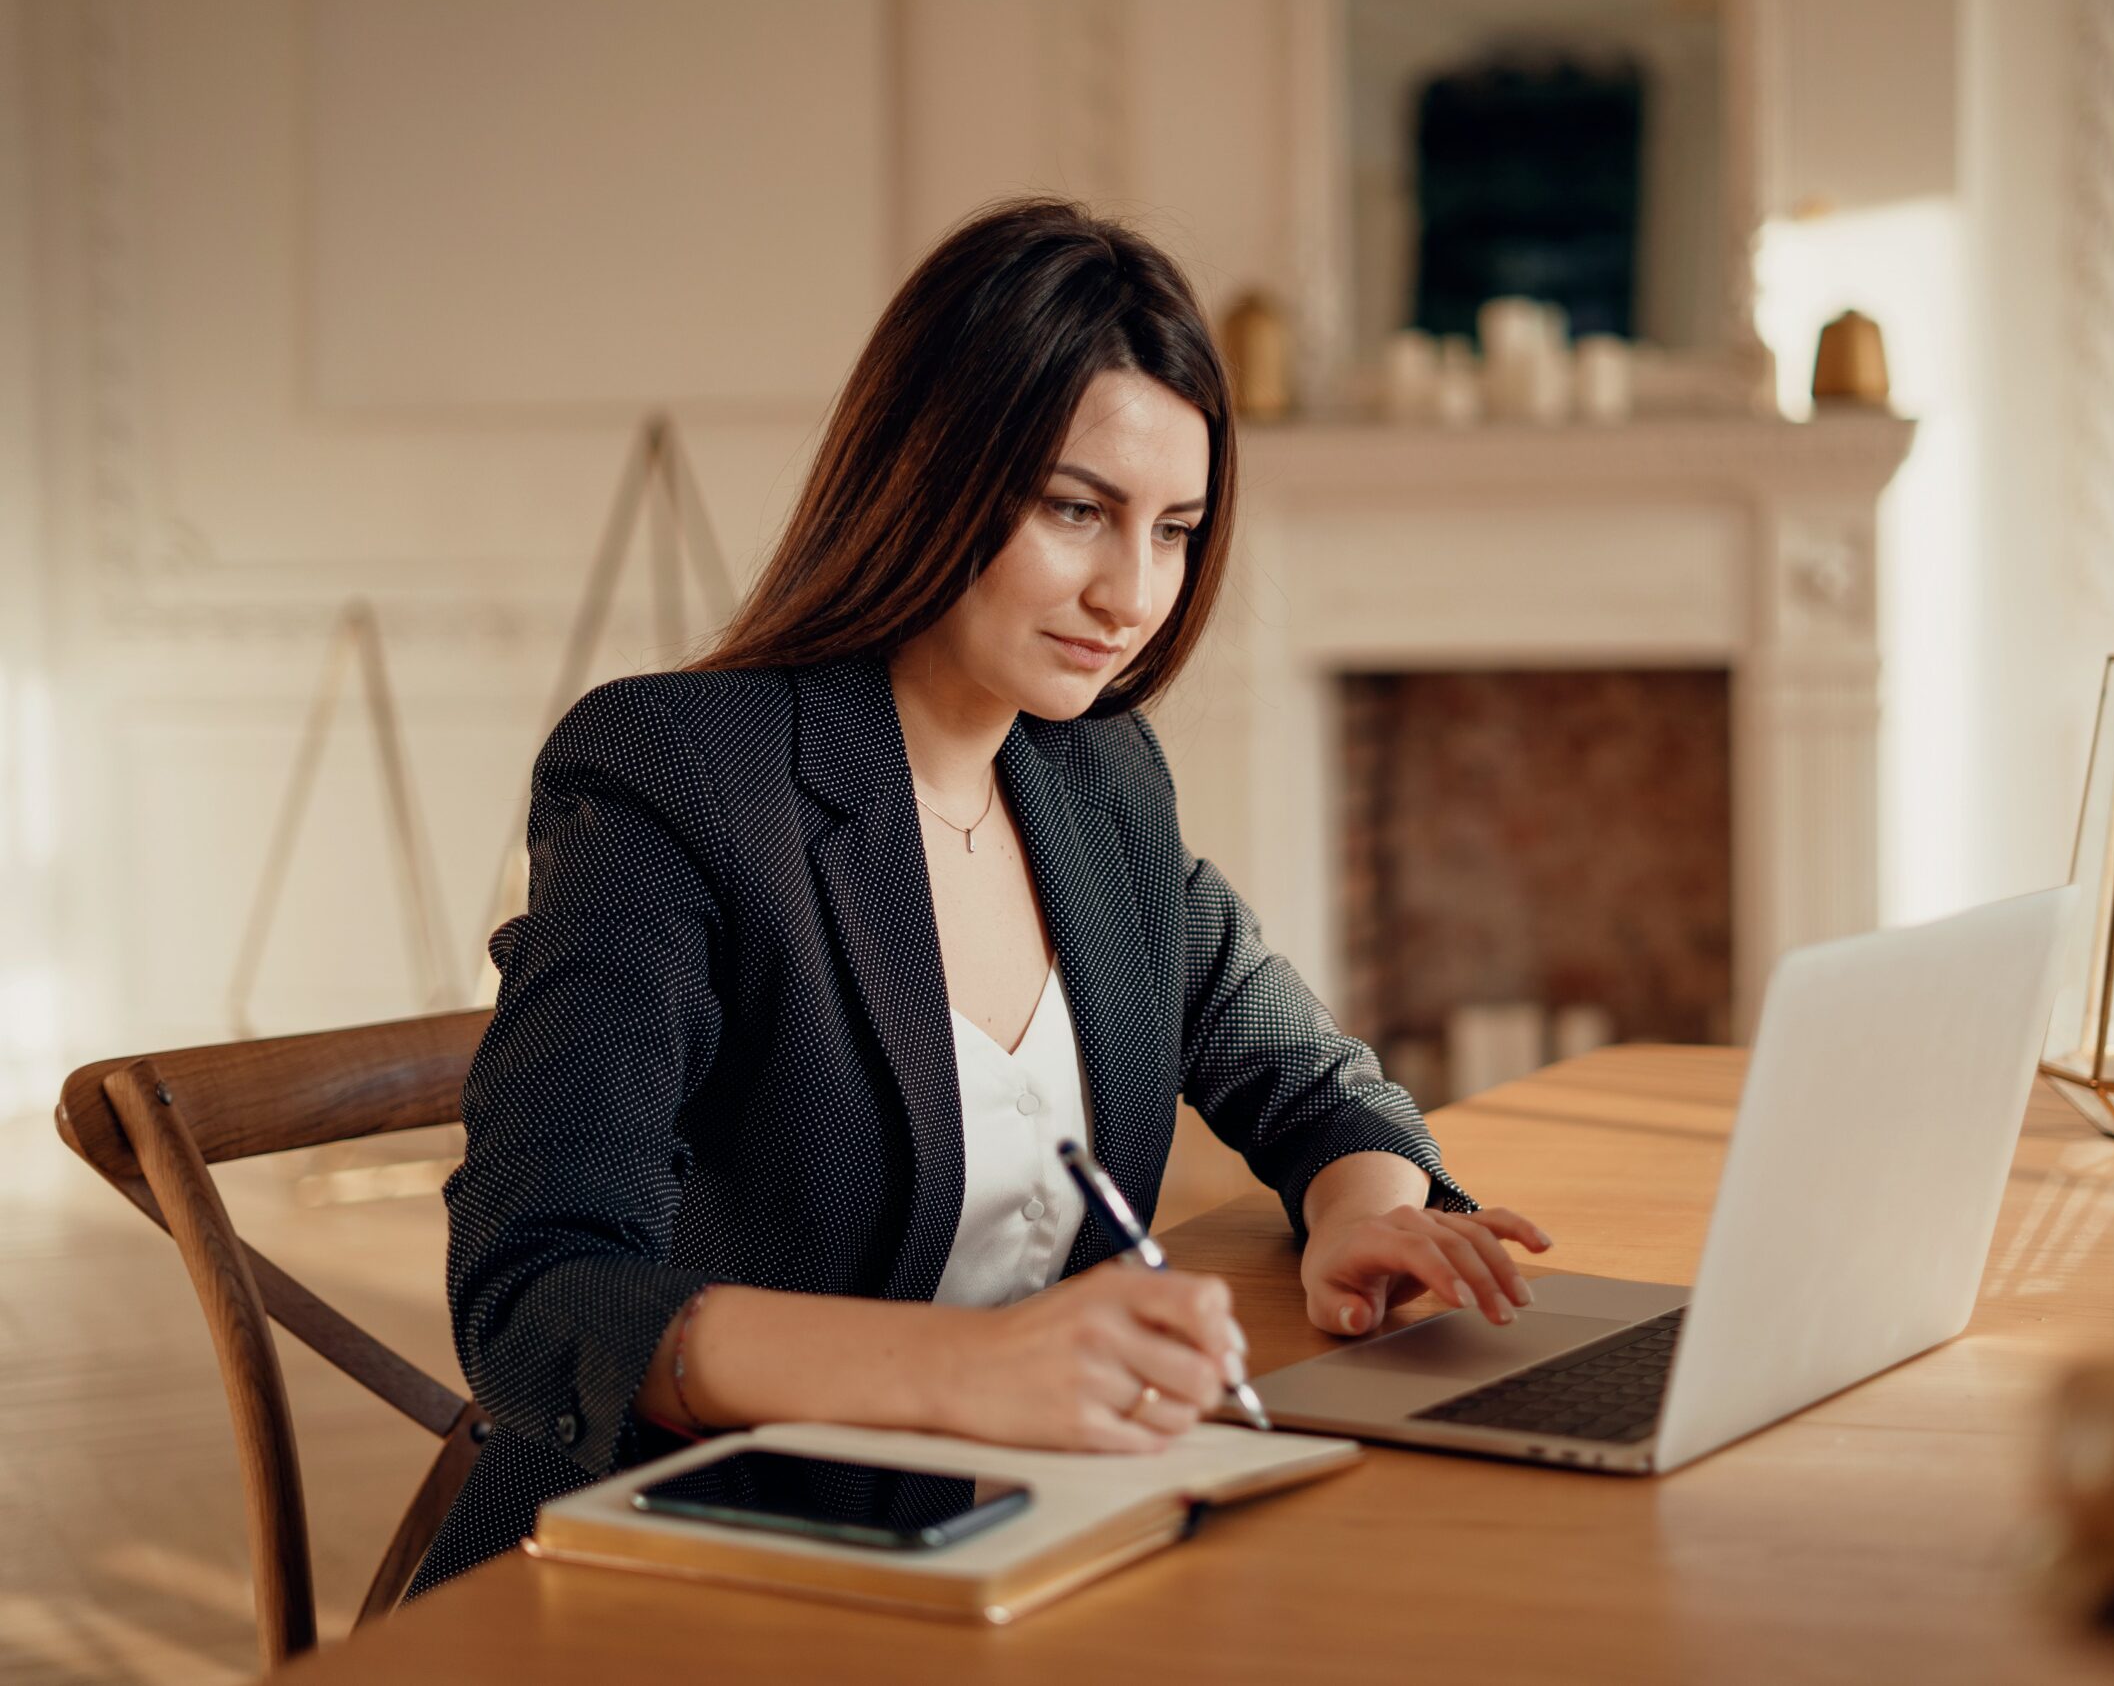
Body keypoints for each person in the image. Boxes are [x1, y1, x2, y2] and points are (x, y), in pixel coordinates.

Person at [409, 199, 1552, 1596]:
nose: (1131, 593)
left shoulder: (1096, 781)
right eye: (1075, 510)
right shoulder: (681, 778)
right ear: (929, 474)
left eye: (1176, 529)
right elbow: (536, 1301)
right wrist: (970, 1371)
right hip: (674, 1567)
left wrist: (1362, 1209)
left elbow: (1297, 1068)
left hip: (1009, 1541)